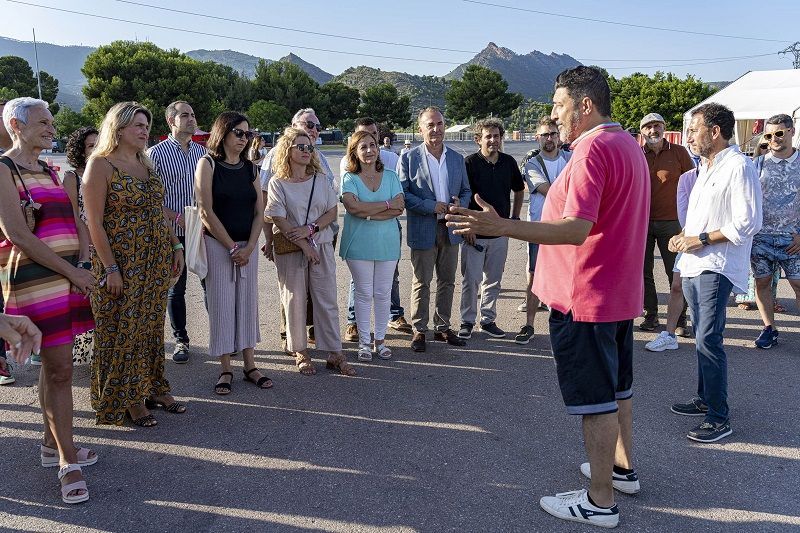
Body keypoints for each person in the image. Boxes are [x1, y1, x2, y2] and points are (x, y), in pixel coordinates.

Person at [447, 66, 649, 529]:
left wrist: (502, 226)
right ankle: (621, 470)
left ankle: (600, 501)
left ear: (584, 105)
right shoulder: (626, 143)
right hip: (616, 293)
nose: (554, 115)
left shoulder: (593, 149)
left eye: (559, 105)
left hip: (586, 297)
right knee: (618, 390)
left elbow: (576, 229)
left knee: (595, 400)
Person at [0, 97, 97, 504]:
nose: (52, 128)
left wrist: (83, 261)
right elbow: (18, 234)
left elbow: (74, 219)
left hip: (65, 276)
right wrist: (72, 272)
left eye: (52, 122)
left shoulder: (48, 169)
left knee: (56, 367)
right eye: (43, 122)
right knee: (59, 370)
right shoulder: (4, 169)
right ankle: (66, 461)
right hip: (35, 279)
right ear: (16, 125)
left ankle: (50, 443)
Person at [83, 101, 186, 428]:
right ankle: (127, 399)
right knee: (122, 330)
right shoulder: (100, 165)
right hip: (121, 264)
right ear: (119, 128)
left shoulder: (145, 162)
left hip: (154, 260)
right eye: (138, 125)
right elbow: (94, 223)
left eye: (146, 126)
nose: (145, 131)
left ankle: (154, 387)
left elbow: (158, 210)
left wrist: (176, 245)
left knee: (150, 329)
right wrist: (110, 268)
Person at [669, 103, 762, 443]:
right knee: (701, 335)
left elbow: (748, 222)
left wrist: (701, 239)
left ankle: (719, 418)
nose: (689, 137)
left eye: (694, 130)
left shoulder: (739, 166)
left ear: (715, 131)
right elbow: (701, 219)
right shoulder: (706, 167)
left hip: (716, 265)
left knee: (709, 338)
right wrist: (684, 238)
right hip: (694, 263)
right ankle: (705, 398)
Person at [266, 127, 355, 377]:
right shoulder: (277, 183)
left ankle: (334, 352)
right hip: (292, 249)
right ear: (288, 150)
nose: (306, 151)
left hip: (321, 245)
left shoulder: (321, 179)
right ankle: (300, 351)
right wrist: (304, 244)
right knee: (294, 300)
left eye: (310, 147)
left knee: (326, 298)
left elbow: (331, 212)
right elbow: (277, 217)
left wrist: (310, 229)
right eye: (301, 147)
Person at [195, 112, 267, 395]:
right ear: (222, 132)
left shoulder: (251, 169)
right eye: (238, 132)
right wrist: (232, 247)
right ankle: (225, 368)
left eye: (247, 134)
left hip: (247, 246)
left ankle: (250, 365)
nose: (244, 138)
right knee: (222, 306)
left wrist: (249, 246)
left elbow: (259, 211)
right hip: (218, 246)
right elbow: (205, 210)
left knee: (247, 305)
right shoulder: (208, 164)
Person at [261, 108, 336, 349]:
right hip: (289, 240)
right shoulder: (274, 160)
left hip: (320, 236)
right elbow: (267, 204)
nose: (314, 131)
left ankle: (326, 344)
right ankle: (293, 342)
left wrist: (312, 229)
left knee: (322, 295)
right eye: (309, 125)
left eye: (317, 127)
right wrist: (269, 239)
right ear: (293, 127)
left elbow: (330, 206)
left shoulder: (318, 160)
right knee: (293, 296)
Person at [399, 107, 471, 352]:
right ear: (420, 129)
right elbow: (403, 194)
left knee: (447, 281)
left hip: (450, 227)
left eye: (439, 124)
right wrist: (431, 206)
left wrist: (461, 203)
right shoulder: (409, 158)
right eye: (430, 125)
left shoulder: (456, 158)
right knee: (422, 282)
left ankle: (442, 327)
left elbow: (466, 190)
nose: (436, 129)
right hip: (423, 227)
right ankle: (419, 329)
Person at [339, 118, 411, 341]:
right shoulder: (349, 174)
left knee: (384, 289)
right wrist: (386, 205)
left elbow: (399, 207)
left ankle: (381, 338)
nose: (369, 149)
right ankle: (360, 335)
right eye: (363, 146)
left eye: (373, 144)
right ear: (354, 150)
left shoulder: (390, 171)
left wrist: (368, 212)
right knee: (362, 290)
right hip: (359, 240)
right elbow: (353, 207)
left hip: (386, 237)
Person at [147, 101, 207, 363]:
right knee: (176, 289)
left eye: (193, 114)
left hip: (201, 232)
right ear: (171, 121)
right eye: (185, 115)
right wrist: (177, 217)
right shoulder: (155, 154)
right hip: (171, 233)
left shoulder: (203, 154)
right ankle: (181, 341)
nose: (191, 119)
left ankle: (222, 336)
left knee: (210, 285)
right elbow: (150, 199)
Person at [458, 118, 524, 339]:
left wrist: (514, 219)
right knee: (471, 281)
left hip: (499, 233)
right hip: (474, 234)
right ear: (478, 139)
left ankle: (487, 320)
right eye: (488, 136)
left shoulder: (508, 162)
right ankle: (467, 321)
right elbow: (462, 197)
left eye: (497, 136)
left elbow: (519, 189)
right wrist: (467, 227)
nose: (493, 140)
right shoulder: (469, 164)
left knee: (493, 281)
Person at [515, 117, 570, 344]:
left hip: (567, 226)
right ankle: (529, 324)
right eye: (545, 134)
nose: (549, 138)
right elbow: (551, 191)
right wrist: (571, 188)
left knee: (566, 275)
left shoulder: (570, 158)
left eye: (553, 134)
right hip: (539, 227)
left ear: (559, 136)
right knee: (535, 275)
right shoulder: (532, 164)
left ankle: (566, 325)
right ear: (538, 137)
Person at [639, 112, 695, 333]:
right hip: (642, 222)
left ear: (664, 128)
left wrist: (691, 221)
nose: (653, 130)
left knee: (675, 272)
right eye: (648, 127)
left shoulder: (679, 152)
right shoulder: (637, 154)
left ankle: (680, 319)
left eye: (657, 126)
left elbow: (693, 185)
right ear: (642, 132)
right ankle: (651, 315)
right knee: (644, 272)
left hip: (672, 223)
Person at [749, 114, 800, 348]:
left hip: (793, 239)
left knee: (798, 285)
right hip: (761, 238)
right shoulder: (757, 164)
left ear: (792, 131)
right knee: (762, 283)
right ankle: (769, 328)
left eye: (779, 133)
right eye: (769, 135)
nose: (774, 139)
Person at [645, 167, 699, 352]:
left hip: (713, 242)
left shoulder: (727, 172)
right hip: (689, 237)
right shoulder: (688, 177)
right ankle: (669, 335)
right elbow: (686, 213)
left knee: (705, 292)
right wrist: (682, 234)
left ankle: (706, 337)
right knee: (677, 285)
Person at [63, 127, 98, 365]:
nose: (95, 149)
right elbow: (74, 217)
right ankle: (85, 355)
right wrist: (85, 252)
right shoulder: (72, 177)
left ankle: (104, 352)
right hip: (83, 246)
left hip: (106, 245)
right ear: (80, 150)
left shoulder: (106, 171)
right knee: (84, 303)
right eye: (90, 146)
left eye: (98, 144)